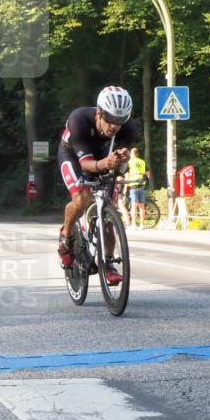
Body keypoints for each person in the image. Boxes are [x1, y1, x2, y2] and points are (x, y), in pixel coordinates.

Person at [57, 86, 140, 284]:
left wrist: (122, 160)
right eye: (110, 119)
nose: (114, 126)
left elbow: (119, 164)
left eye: (120, 121)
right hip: (73, 156)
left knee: (110, 209)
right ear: (99, 113)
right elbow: (85, 164)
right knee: (82, 198)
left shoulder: (128, 128)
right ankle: (66, 236)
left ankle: (108, 262)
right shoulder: (79, 119)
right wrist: (105, 164)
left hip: (102, 155)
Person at [124, 147, 152, 231]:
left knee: (134, 205)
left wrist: (125, 188)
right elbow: (148, 175)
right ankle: (142, 225)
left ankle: (134, 225)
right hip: (142, 186)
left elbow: (127, 176)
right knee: (141, 206)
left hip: (133, 185)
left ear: (131, 154)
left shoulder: (129, 162)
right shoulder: (143, 162)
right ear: (137, 154)